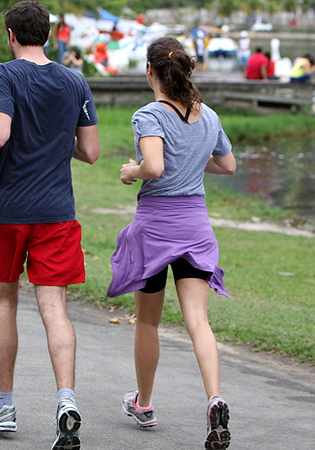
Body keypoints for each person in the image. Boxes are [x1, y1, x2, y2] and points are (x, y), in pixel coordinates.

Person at [0, 2, 99, 449]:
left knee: (5, 298)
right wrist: (54, 140)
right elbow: (90, 151)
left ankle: (4, 406)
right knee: (55, 308)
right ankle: (66, 400)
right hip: (56, 210)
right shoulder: (74, 80)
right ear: (47, 34)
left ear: (10, 35)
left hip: (7, 208)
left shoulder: (2, 75)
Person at [106, 36, 236, 449]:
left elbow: (155, 166)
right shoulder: (208, 115)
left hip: (156, 229)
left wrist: (132, 171)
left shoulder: (148, 115)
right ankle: (215, 398)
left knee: (148, 321)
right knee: (198, 320)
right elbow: (228, 165)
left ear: (150, 71)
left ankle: (143, 404)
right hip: (196, 228)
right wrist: (194, 162)